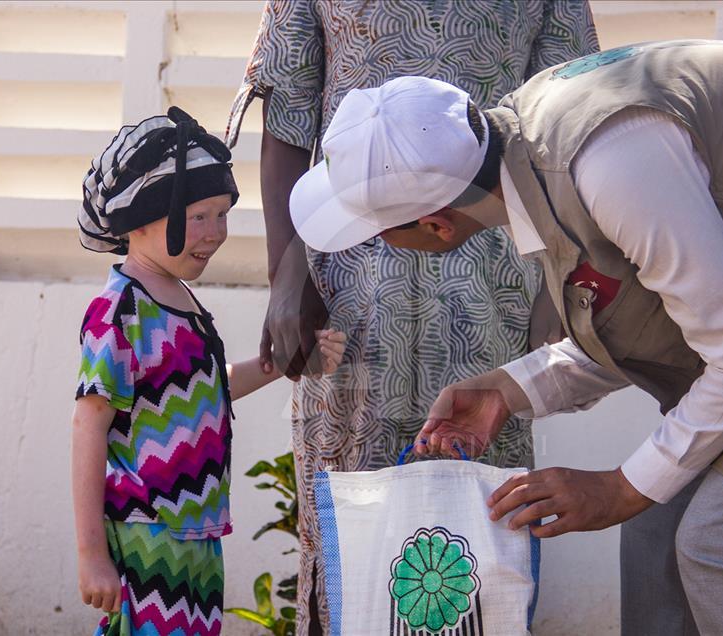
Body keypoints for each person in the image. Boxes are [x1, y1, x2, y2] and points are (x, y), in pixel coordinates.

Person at [287, 42, 723, 635]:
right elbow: (656, 318)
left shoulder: (610, 165)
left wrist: (618, 489)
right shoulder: (531, 140)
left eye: (377, 233)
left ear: (436, 224)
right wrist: (507, 391)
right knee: (658, 526)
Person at [225, 2, 599, 632]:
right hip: (348, 269)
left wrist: (557, 282)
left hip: (493, 277)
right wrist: (287, 273)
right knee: (351, 517)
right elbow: (288, 108)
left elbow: (565, 112)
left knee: (479, 512)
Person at [71, 108, 345, 636]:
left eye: (224, 214)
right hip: (145, 531)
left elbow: (207, 391)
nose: (216, 233)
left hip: (197, 531)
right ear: (142, 219)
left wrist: (287, 362)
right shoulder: (120, 311)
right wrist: (91, 554)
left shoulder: (180, 299)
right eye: (200, 216)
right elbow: (89, 426)